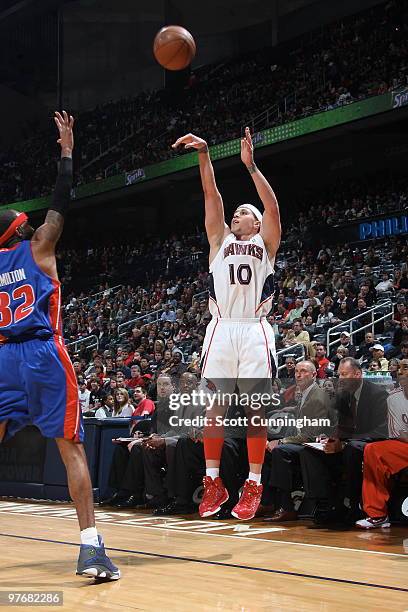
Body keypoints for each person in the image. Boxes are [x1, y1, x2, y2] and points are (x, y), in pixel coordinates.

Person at [0, 112, 119, 580]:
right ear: (21, 231)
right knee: (70, 449)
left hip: (3, 356)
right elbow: (61, 204)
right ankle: (90, 548)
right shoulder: (39, 248)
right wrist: (67, 153)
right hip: (42, 353)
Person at [172, 126, 281, 520]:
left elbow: (272, 209)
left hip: (253, 328)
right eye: (236, 212)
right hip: (220, 328)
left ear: (255, 224)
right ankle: (213, 481)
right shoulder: (218, 242)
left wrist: (251, 167)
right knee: (214, 409)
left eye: (244, 212)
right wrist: (205, 154)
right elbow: (211, 196)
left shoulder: (266, 244)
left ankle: (253, 484)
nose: (237, 213)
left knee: (255, 410)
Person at [356, 359, 408, 529]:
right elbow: (398, 434)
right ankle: (377, 514)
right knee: (373, 450)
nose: (400, 371)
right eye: (399, 368)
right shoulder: (393, 398)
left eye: (405, 368)